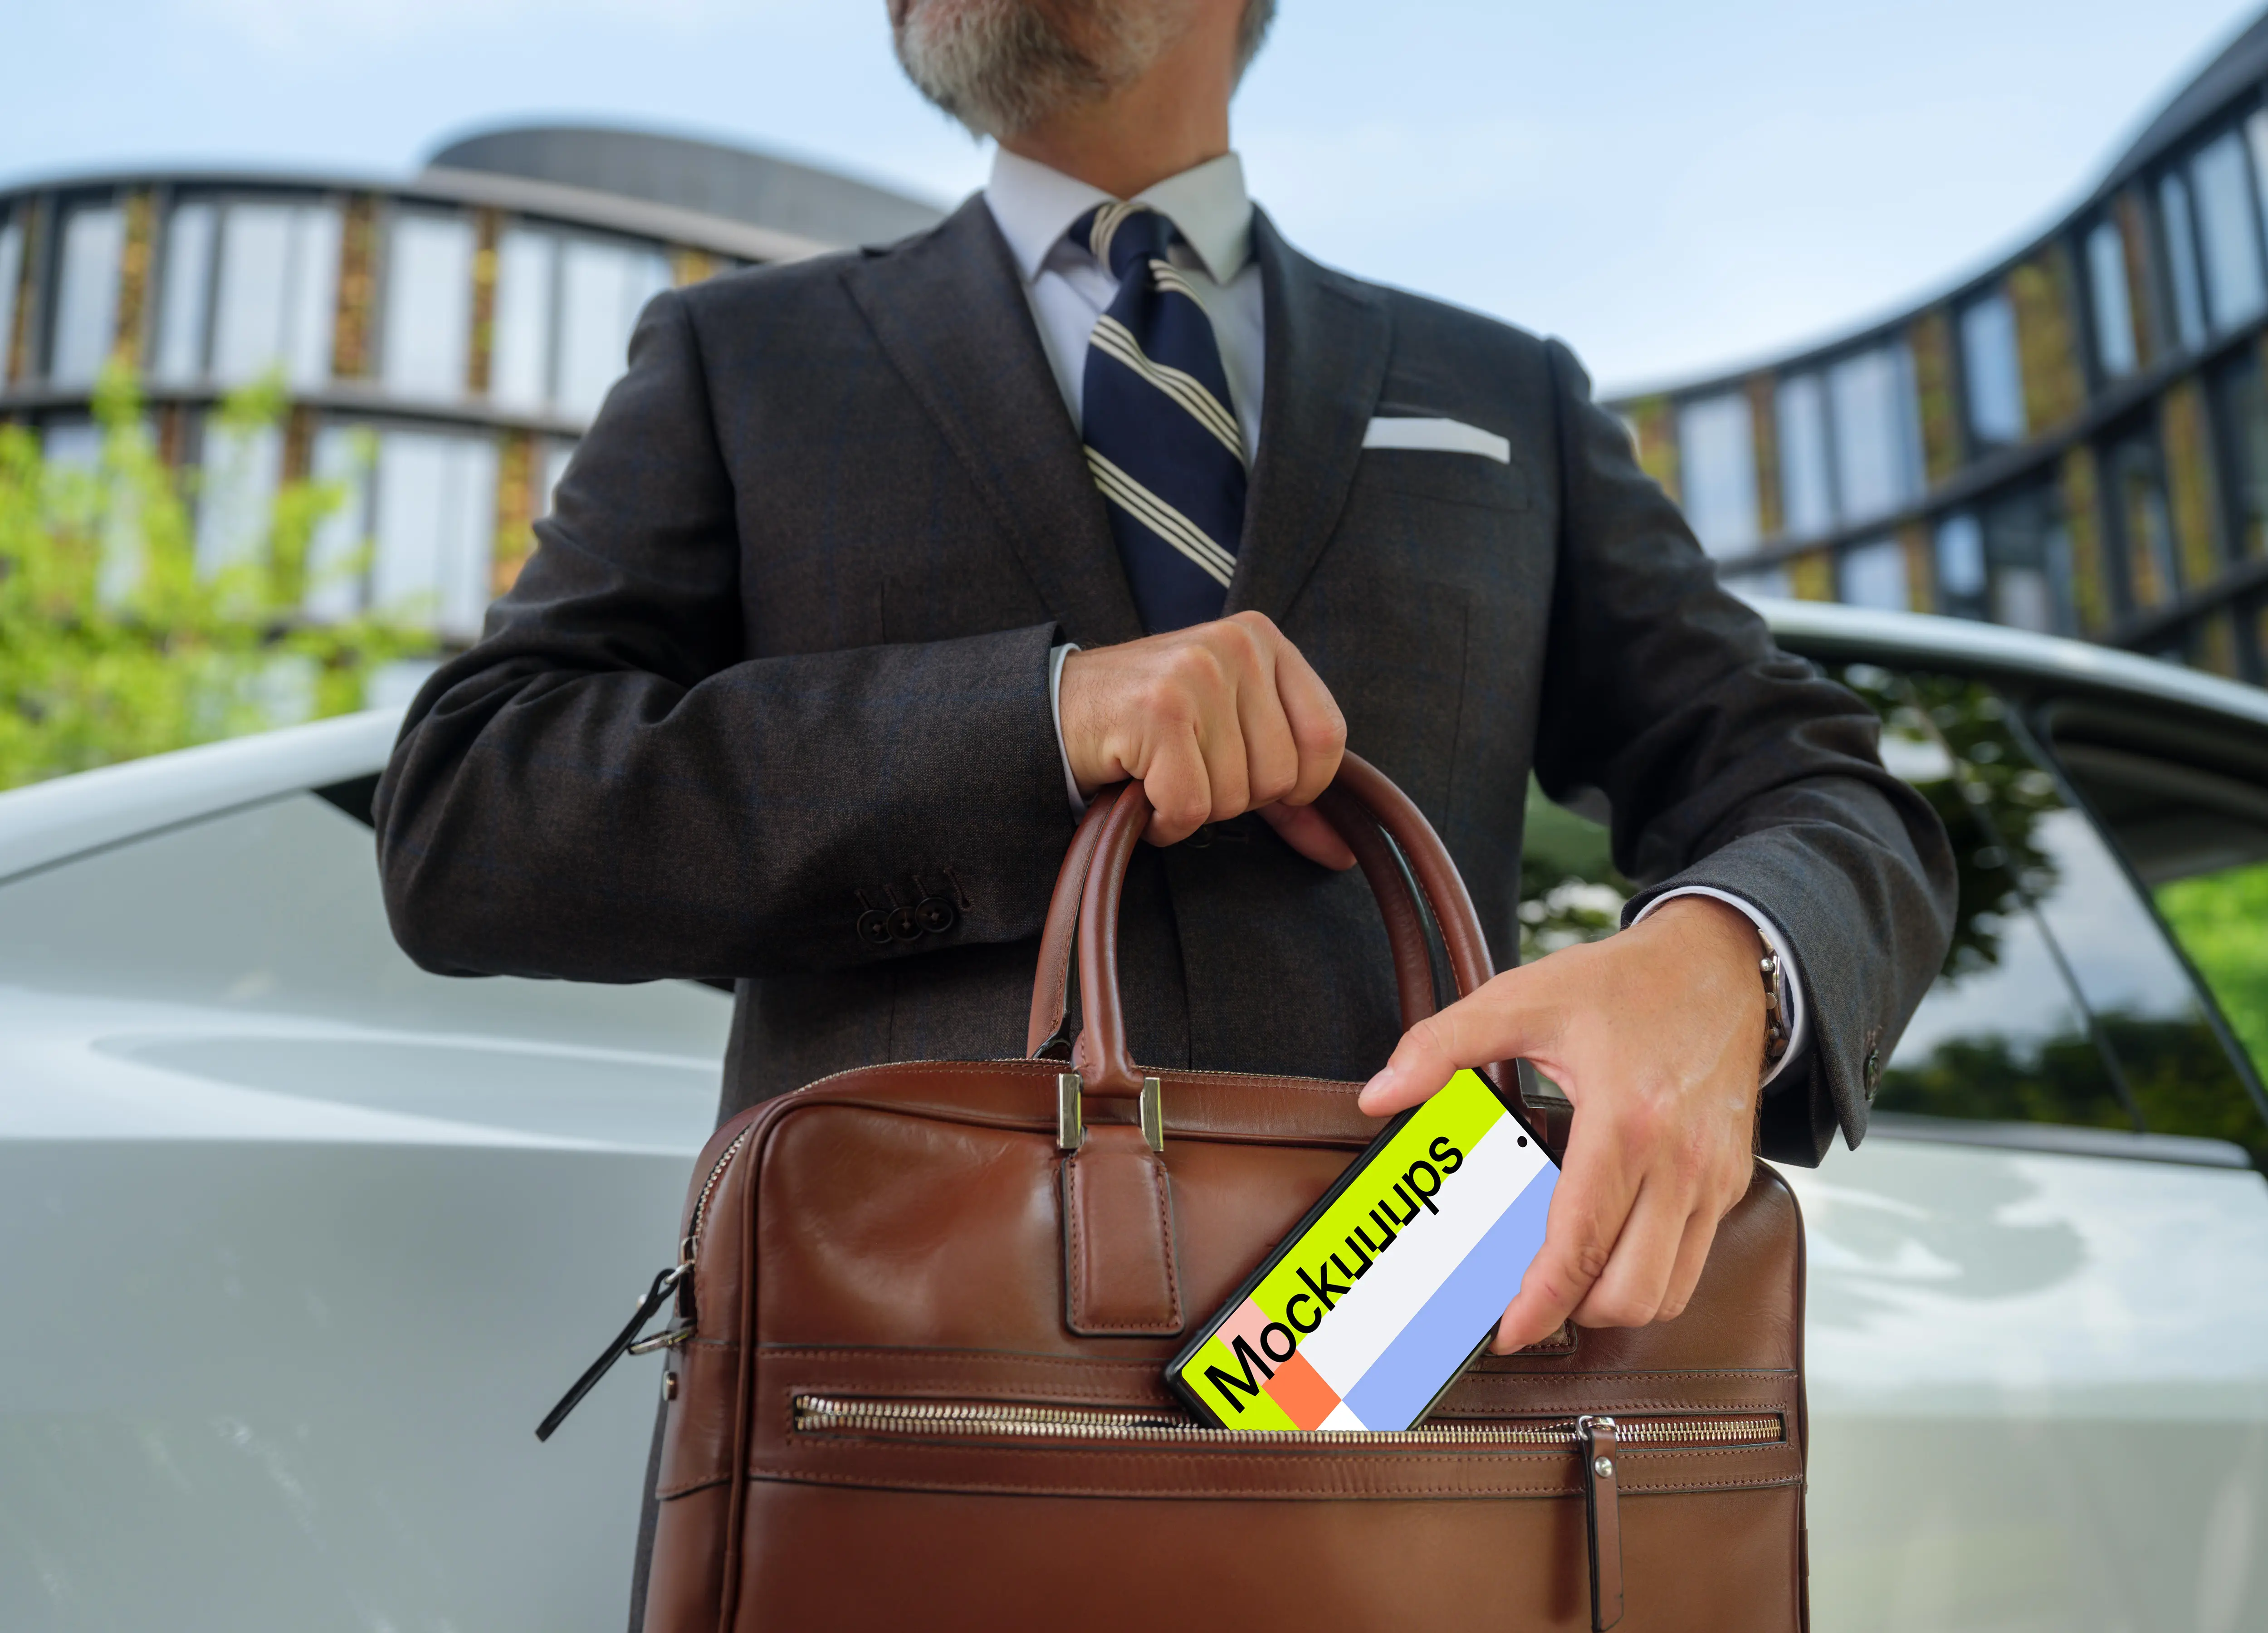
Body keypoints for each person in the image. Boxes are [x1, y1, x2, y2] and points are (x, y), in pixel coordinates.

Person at [373, 0, 1954, 1356]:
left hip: (1411, 1345)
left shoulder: (1504, 392)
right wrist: (1040, 718)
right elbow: (471, 813)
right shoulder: (748, 359)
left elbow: (1818, 789)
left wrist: (1723, 967)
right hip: (900, 1392)